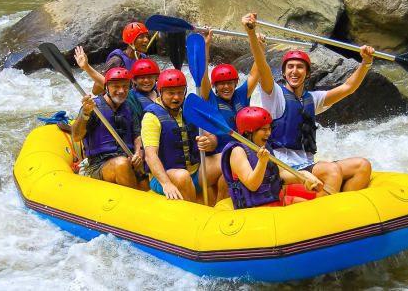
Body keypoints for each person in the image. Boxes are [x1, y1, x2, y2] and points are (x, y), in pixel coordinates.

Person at [242, 12, 373, 193]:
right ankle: (326, 215)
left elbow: (348, 88)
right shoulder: (275, 96)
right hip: (285, 169)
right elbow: (262, 66)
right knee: (332, 170)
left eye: (300, 67)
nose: (294, 71)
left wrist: (366, 63)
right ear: (284, 72)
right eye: (290, 67)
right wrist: (251, 33)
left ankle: (345, 212)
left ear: (308, 73)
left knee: (362, 165)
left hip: (307, 164)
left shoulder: (312, 99)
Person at [142, 69, 223, 204]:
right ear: (160, 92)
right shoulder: (151, 117)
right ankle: (194, 217)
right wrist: (166, 184)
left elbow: (212, 136)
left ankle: (220, 211)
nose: (176, 97)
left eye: (180, 92)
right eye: (171, 93)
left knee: (227, 158)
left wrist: (210, 143)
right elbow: (151, 156)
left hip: (196, 172)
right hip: (165, 177)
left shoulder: (189, 109)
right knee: (182, 175)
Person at [222, 107, 327, 209]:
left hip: (273, 201)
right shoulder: (238, 152)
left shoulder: (264, 147)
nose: (268, 133)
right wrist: (262, 162)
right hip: (255, 210)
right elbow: (252, 185)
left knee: (315, 203)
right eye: (264, 129)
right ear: (248, 132)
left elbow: (280, 173)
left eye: (269, 128)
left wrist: (305, 177)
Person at [71, 67, 148, 191]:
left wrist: (138, 154)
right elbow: (76, 137)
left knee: (144, 179)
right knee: (121, 164)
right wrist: (85, 113)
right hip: (99, 165)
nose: (121, 90)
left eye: (125, 86)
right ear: (106, 87)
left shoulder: (129, 107)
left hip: (129, 161)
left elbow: (137, 135)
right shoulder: (93, 107)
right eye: (116, 86)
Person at [198, 28, 266, 152]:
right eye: (221, 84)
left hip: (243, 152)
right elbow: (203, 75)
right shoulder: (210, 99)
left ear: (235, 83)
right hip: (221, 155)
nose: (226, 87)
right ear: (214, 86)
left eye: (230, 83)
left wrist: (260, 47)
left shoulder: (240, 96)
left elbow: (255, 73)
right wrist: (206, 46)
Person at [91, 22, 150, 95]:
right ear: (131, 41)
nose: (146, 40)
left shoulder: (143, 59)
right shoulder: (116, 60)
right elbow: (95, 91)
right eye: (141, 37)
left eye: (146, 37)